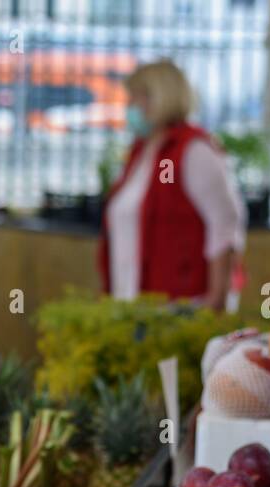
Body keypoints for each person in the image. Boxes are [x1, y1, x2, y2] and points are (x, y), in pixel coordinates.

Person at [98, 59, 245, 311]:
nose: (128, 108)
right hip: (133, 302)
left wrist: (216, 299)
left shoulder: (193, 150)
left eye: (135, 99)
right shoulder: (141, 152)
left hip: (182, 306)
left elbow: (225, 224)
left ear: (158, 98)